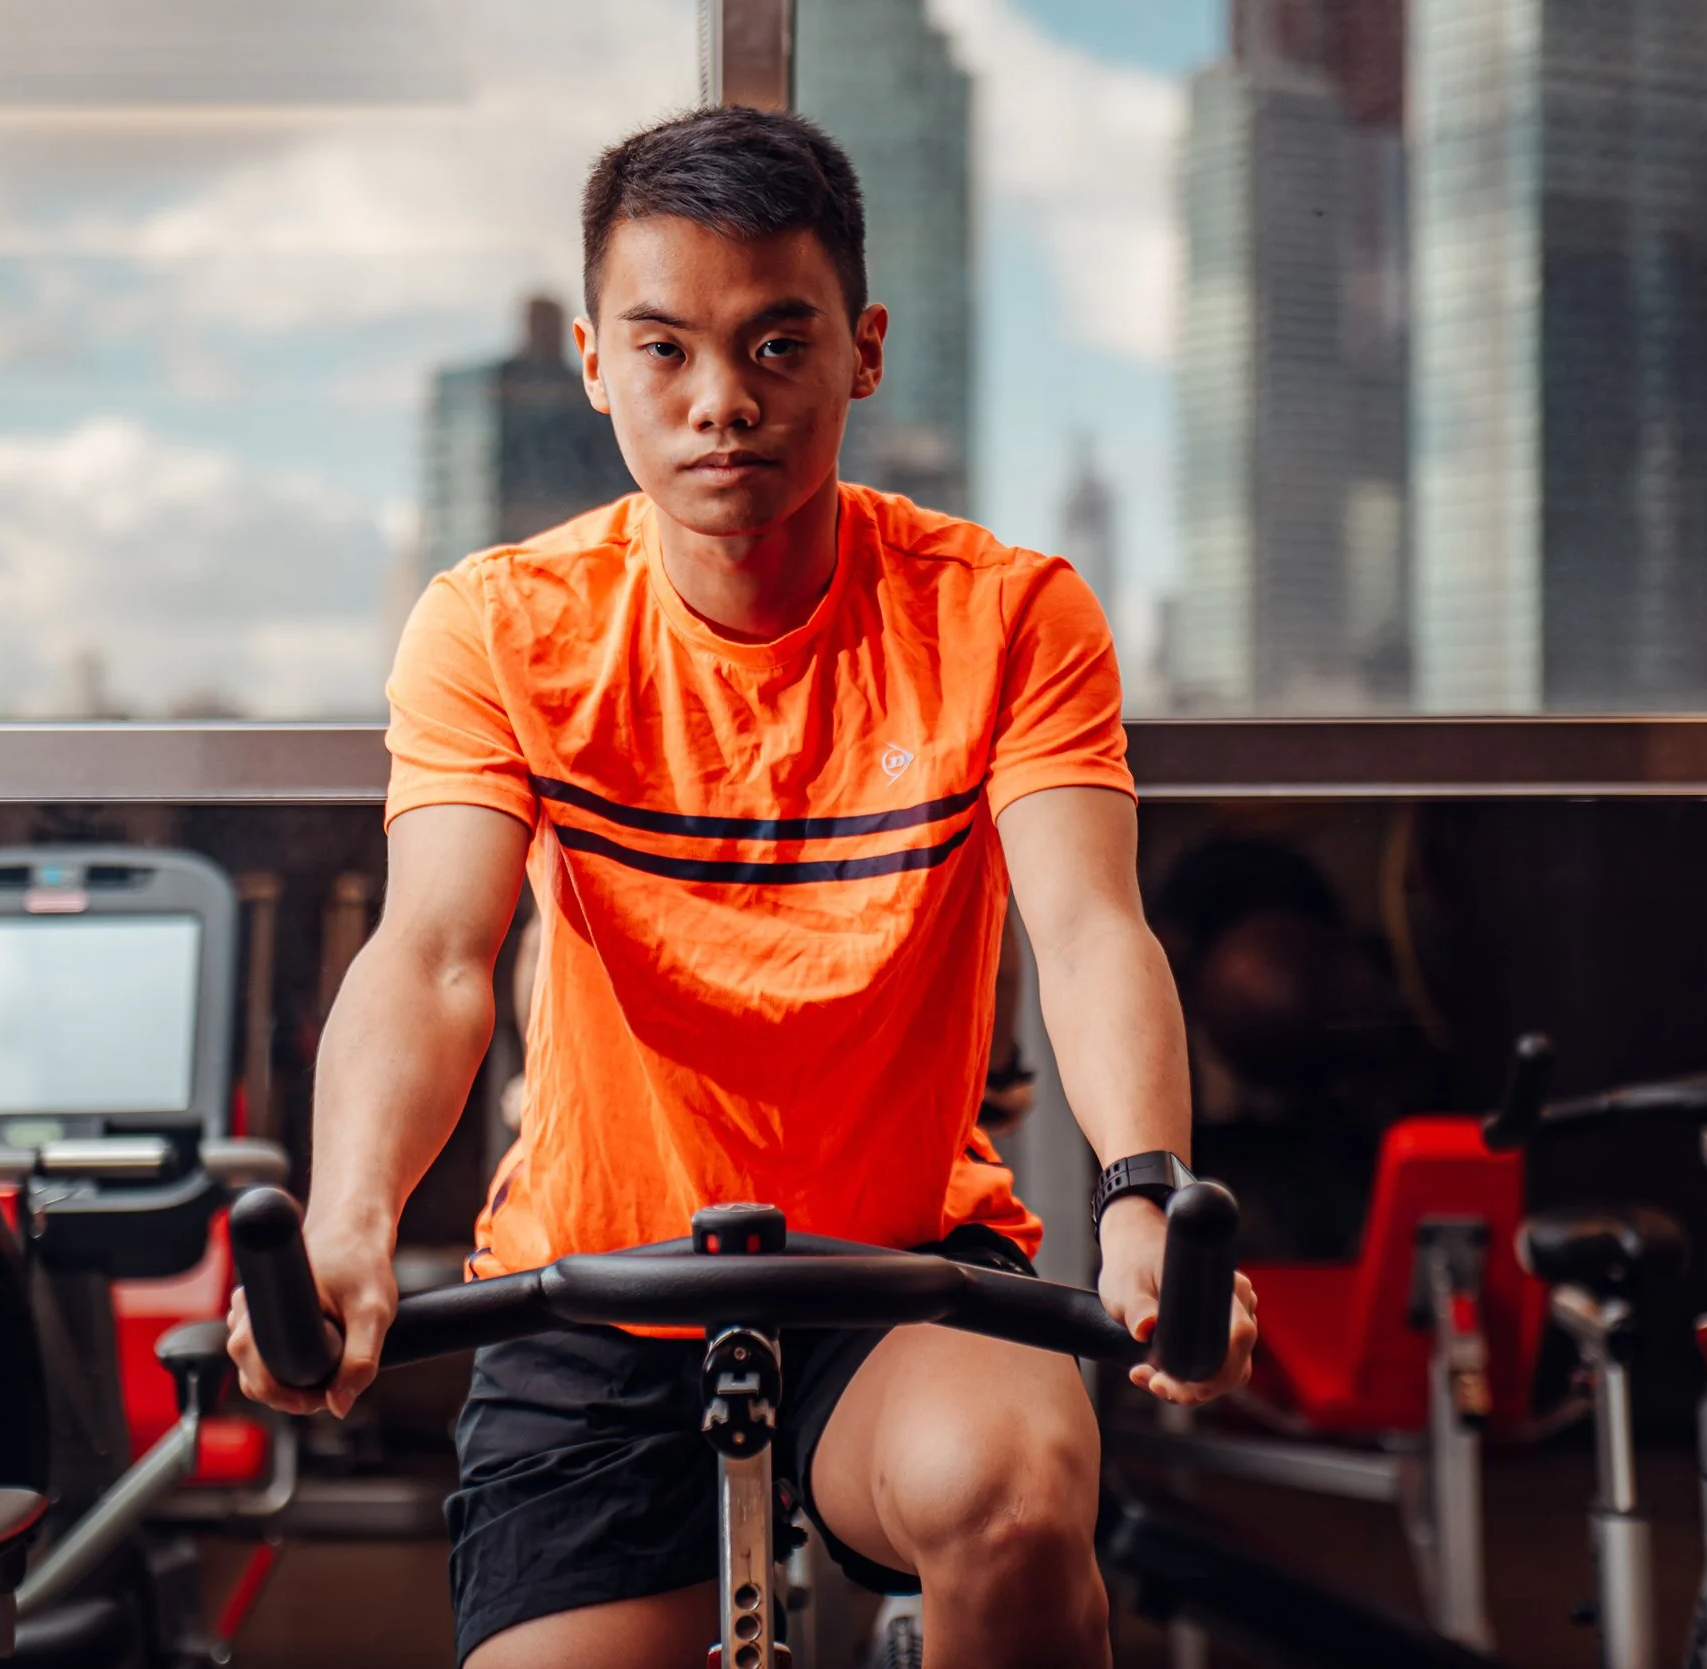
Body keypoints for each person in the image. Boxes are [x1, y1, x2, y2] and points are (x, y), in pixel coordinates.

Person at [226, 105, 1259, 1668]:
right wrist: (348, 1221)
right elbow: (433, 954)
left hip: (900, 1273)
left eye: (779, 346)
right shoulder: (500, 627)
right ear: (595, 363)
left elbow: (1091, 928)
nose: (723, 402)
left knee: (1014, 1504)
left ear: (865, 352)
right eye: (666, 351)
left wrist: (1142, 1201)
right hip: (591, 1289)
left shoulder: (1008, 615)